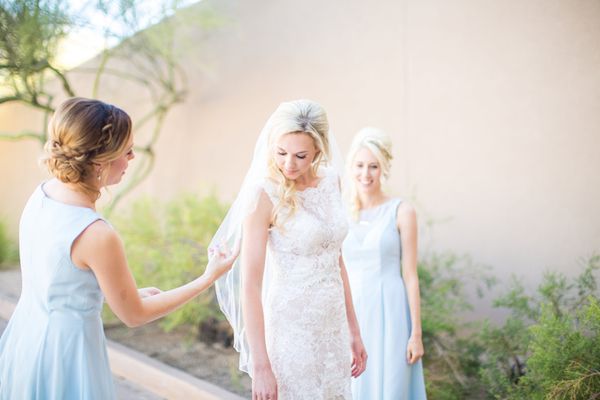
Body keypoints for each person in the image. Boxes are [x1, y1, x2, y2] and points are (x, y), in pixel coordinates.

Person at [0, 97, 238, 400]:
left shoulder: (43, 195)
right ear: (100, 162)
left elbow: (59, 281)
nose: (133, 158)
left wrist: (129, 293)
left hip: (28, 340)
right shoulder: (95, 234)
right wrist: (208, 277)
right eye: (127, 151)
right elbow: (134, 316)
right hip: (67, 356)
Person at [211, 99, 367, 399]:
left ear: (318, 151)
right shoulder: (263, 195)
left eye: (300, 155)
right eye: (281, 153)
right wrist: (261, 366)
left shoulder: (332, 180)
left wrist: (354, 331)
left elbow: (337, 260)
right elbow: (250, 284)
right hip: (291, 330)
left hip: (332, 327)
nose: (288, 164)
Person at [342, 128, 427, 399]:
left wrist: (416, 334)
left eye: (373, 166)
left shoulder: (402, 211)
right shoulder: (341, 213)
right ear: (351, 166)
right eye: (360, 165)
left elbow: (410, 275)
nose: (365, 174)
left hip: (390, 313)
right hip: (350, 310)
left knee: (390, 384)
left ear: (384, 169)